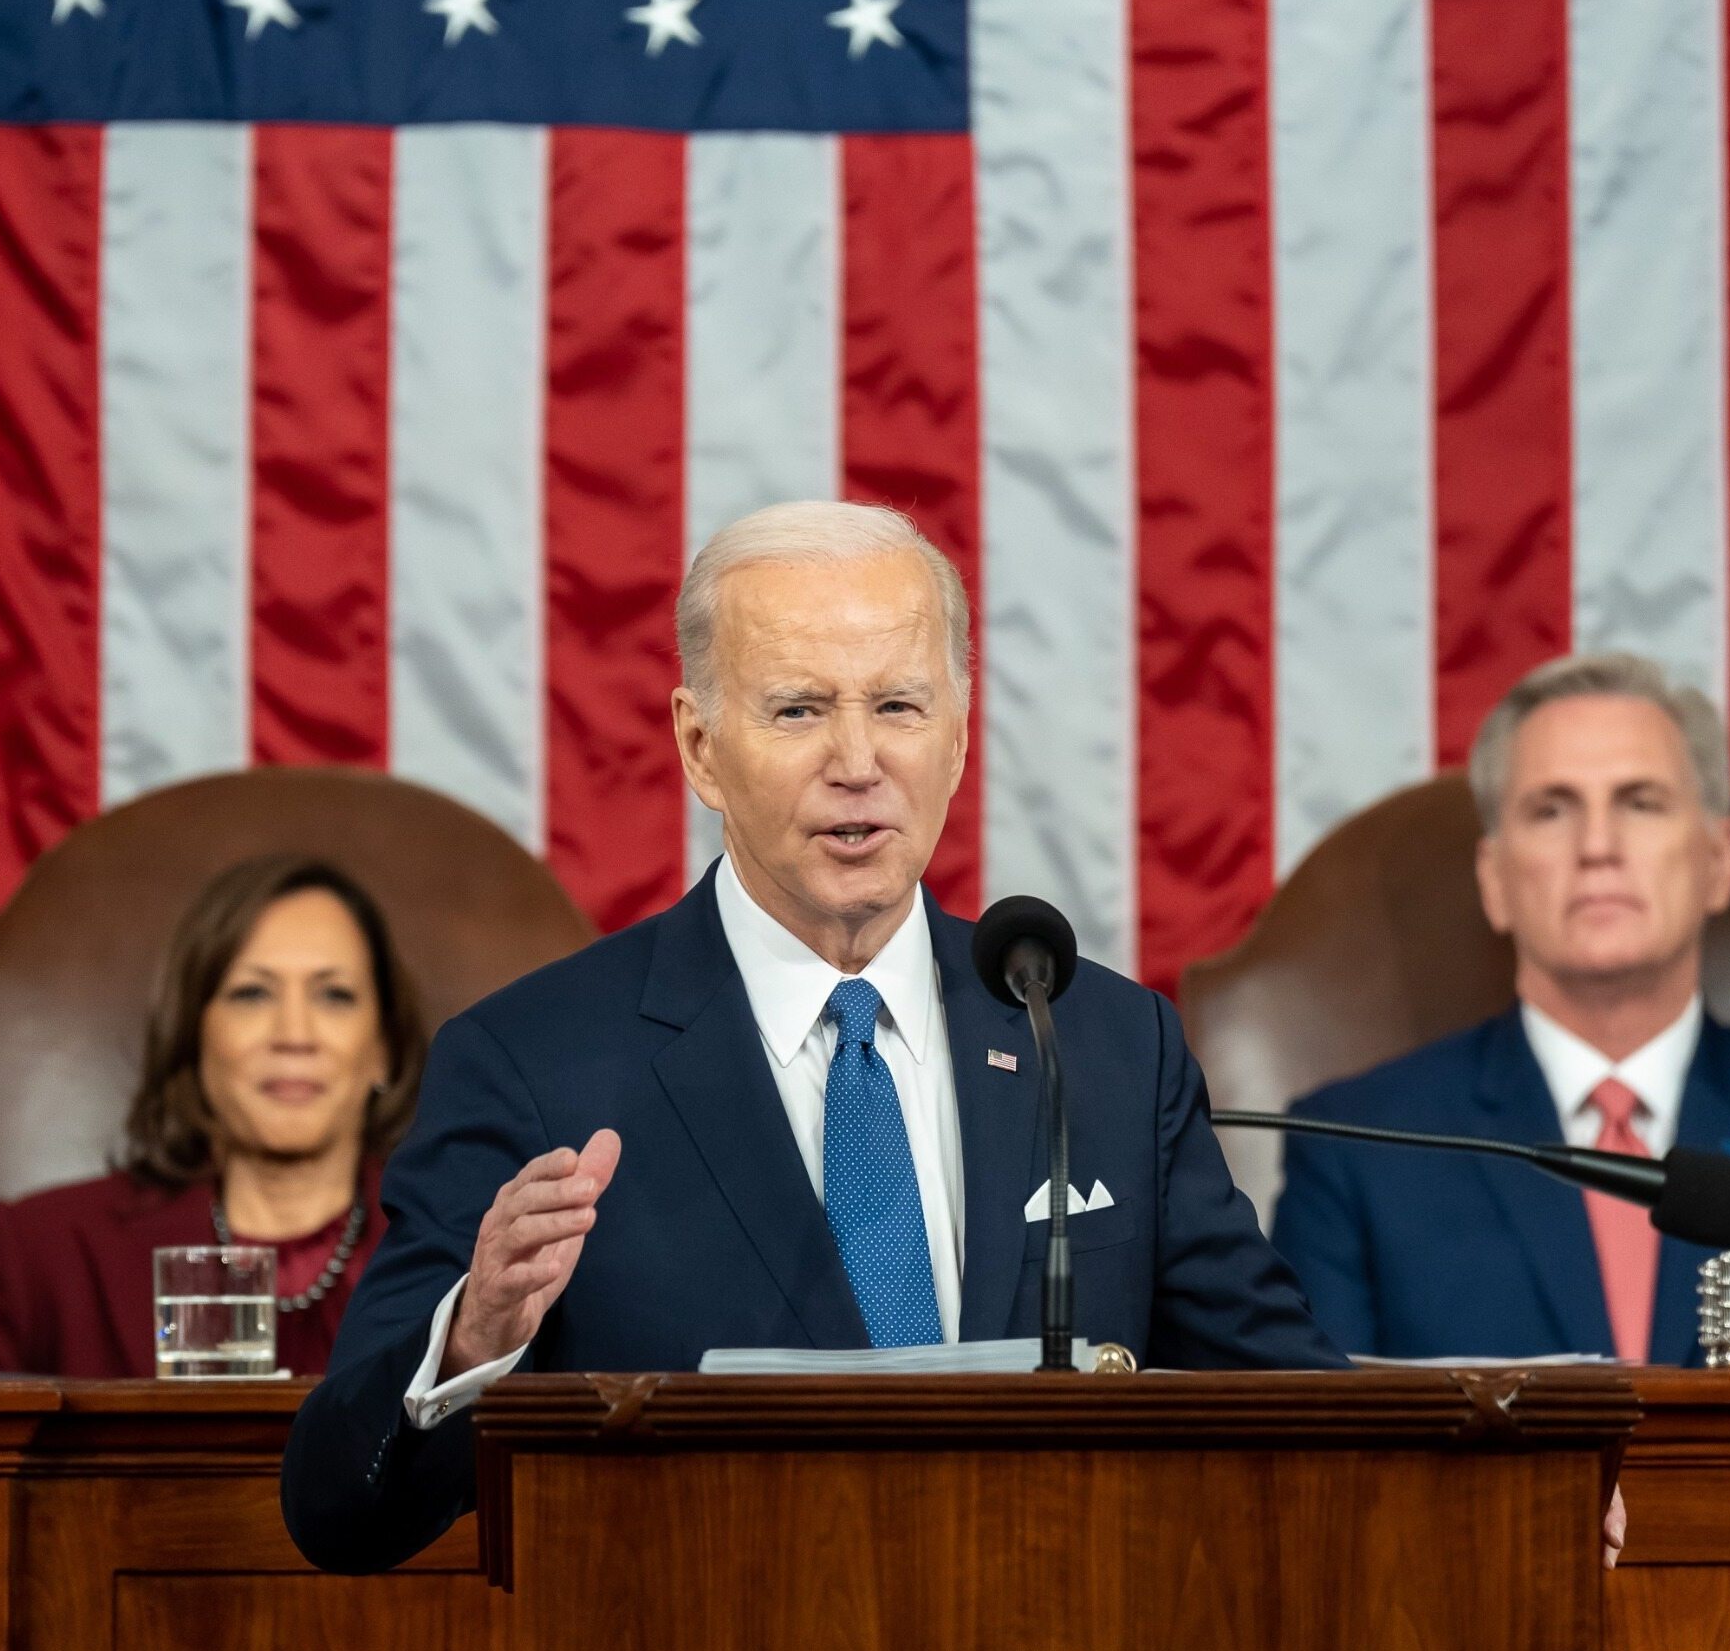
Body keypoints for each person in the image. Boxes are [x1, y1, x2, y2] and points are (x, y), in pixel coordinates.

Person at [281, 501, 1345, 1576]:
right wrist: (474, 1340)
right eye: (797, 710)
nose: (857, 761)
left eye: (898, 705)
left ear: (961, 733)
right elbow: (340, 1512)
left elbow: (1309, 1421)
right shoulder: (533, 1067)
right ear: (701, 747)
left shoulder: (1105, 1044)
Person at [1270, 653, 1730, 1365]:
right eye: (1551, 809)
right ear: (1494, 880)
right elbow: (1324, 1458)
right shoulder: (1355, 1149)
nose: (1597, 848)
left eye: (1640, 802)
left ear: (1719, 862)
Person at [0, 855, 428, 1377]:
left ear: (383, 1047)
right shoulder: (52, 1251)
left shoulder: (455, 1255)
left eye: (335, 995)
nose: (294, 1034)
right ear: (194, 1037)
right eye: (252, 993)